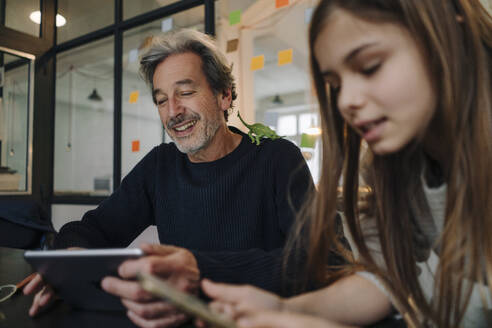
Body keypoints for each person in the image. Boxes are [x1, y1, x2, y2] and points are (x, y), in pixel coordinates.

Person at [201, 0, 492, 327]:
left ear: (449, 32)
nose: (345, 101)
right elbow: (387, 279)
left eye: (370, 66)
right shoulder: (392, 169)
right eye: (335, 85)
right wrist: (285, 311)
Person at [23, 29, 314, 328]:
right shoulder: (160, 165)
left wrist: (201, 271)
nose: (173, 111)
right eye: (161, 100)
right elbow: (94, 228)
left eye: (186, 93)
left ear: (224, 95)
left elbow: (323, 259)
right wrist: (68, 268)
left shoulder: (278, 159)